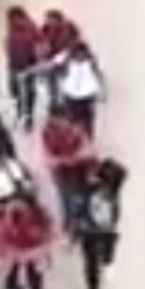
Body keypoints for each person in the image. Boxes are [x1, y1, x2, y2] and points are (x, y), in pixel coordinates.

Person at [71, 157, 128, 289]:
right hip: (92, 229)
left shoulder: (105, 186)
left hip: (99, 227)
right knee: (91, 262)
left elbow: (120, 173)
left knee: (103, 248)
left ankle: (107, 264)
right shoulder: (88, 187)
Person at [40, 101, 94, 236]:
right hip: (63, 171)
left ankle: (79, 220)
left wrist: (72, 158)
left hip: (77, 168)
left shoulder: (76, 128)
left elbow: (86, 148)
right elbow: (46, 156)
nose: (62, 123)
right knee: (65, 197)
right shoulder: (47, 133)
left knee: (79, 193)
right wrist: (68, 159)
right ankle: (71, 223)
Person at [58, 41, 106, 139]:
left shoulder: (91, 62)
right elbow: (52, 67)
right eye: (78, 54)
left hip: (87, 96)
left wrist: (103, 92)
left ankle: (88, 139)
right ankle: (75, 141)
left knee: (88, 121)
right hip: (71, 96)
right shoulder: (66, 60)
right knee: (72, 121)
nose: (80, 57)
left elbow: (99, 75)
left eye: (82, 55)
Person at [4, 6, 42, 130]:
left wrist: (37, 57)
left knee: (29, 91)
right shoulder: (11, 29)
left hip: (28, 65)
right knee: (15, 90)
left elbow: (39, 42)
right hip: (14, 65)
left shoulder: (31, 27)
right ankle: (21, 111)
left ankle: (28, 116)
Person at [38, 8, 83, 110]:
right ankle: (54, 103)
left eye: (51, 19)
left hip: (65, 59)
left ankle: (67, 102)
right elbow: (41, 43)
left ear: (58, 19)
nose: (49, 22)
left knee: (65, 82)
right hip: (51, 61)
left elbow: (75, 41)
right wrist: (42, 55)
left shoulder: (69, 27)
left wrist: (70, 54)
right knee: (51, 83)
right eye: (48, 19)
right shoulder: (45, 29)